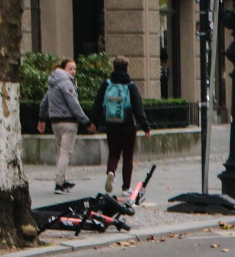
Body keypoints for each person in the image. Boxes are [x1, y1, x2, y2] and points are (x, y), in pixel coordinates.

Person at [90, 56, 151, 195]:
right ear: (127, 69)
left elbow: (97, 104)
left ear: (114, 68)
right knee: (128, 157)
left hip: (111, 125)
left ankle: (111, 171)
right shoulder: (131, 86)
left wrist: (93, 122)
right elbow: (138, 109)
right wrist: (146, 127)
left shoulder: (106, 85)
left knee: (113, 154)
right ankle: (126, 187)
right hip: (128, 126)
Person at [36, 59, 95, 194]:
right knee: (65, 152)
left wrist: (42, 119)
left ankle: (62, 179)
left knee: (60, 151)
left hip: (55, 121)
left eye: (74, 69)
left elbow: (44, 102)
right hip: (68, 121)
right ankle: (59, 183)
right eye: (70, 68)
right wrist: (86, 121)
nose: (73, 71)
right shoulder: (66, 82)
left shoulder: (53, 83)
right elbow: (73, 103)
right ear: (63, 69)